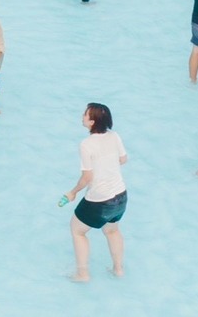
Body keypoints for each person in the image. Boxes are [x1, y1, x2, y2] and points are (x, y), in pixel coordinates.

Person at [65, 102, 127, 280]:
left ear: (92, 122)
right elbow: (123, 159)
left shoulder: (86, 144)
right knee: (112, 230)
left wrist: (73, 192)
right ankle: (118, 269)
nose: (82, 116)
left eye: (85, 114)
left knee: (77, 230)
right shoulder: (114, 136)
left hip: (100, 199)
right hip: (121, 196)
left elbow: (87, 178)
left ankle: (82, 273)